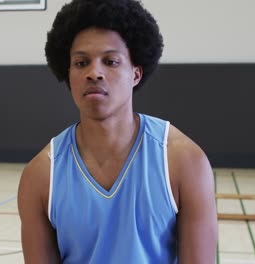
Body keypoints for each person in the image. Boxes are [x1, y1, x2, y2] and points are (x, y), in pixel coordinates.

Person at [17, 0, 217, 263]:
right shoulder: (40, 176)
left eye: (110, 61)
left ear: (135, 74)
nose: (94, 72)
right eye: (81, 63)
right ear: (68, 75)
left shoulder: (184, 161)